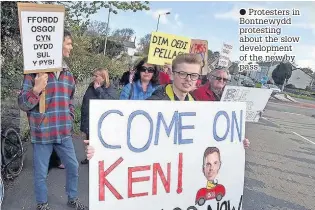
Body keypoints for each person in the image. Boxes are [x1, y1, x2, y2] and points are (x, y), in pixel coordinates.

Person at [84, 54, 250, 159]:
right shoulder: (156, 101)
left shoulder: (195, 105)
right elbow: (130, 131)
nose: (188, 79)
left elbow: (207, 139)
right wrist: (100, 147)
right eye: (183, 73)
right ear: (173, 74)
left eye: (193, 75)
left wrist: (234, 143)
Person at [18, 30, 88, 210]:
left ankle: (72, 198)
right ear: (56, 44)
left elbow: (70, 99)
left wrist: (70, 116)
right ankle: (42, 204)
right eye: (69, 43)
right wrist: (35, 90)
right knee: (41, 174)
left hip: (64, 133)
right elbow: (23, 104)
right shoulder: (35, 72)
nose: (71, 47)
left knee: (73, 166)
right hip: (42, 133)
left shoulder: (68, 74)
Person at [80, 68, 118, 164]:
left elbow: (110, 102)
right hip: (89, 117)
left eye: (96, 76)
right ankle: (90, 158)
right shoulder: (91, 86)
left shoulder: (109, 87)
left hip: (101, 121)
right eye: (94, 75)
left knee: (100, 141)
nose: (94, 77)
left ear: (103, 77)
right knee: (89, 140)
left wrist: (98, 89)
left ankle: (100, 160)